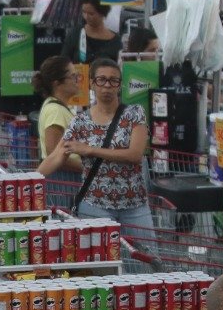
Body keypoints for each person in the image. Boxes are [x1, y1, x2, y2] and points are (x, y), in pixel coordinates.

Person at [37, 57, 150, 238]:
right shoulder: (80, 121)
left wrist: (90, 150)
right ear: (92, 84)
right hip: (94, 205)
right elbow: (56, 155)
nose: (107, 86)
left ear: (119, 85)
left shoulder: (134, 114)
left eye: (113, 81)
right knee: (100, 263)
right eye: (101, 80)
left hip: (134, 205)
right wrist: (28, 181)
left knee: (146, 261)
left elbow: (135, 155)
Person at [34, 56, 81, 161]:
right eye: (73, 76)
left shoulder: (58, 107)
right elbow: (54, 155)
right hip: (64, 176)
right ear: (57, 83)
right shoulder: (55, 111)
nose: (77, 80)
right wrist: (84, 167)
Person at [63, 0, 122, 66]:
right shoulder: (75, 34)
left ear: (102, 13)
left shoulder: (116, 41)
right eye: (84, 12)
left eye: (91, 14)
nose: (86, 17)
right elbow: (63, 63)